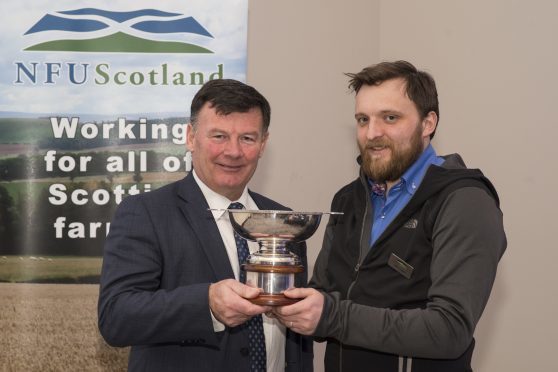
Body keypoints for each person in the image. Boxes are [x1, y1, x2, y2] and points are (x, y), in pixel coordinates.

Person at [272, 61, 507, 371]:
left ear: (428, 123)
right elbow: (327, 292)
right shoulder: (347, 198)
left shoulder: (464, 201)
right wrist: (287, 300)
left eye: (390, 118)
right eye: (362, 119)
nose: (372, 133)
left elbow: (449, 330)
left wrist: (331, 316)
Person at [98, 79, 313, 372]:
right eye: (219, 136)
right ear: (191, 137)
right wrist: (207, 304)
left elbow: (297, 335)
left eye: (248, 138)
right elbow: (116, 318)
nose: (233, 151)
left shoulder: (284, 220)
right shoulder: (145, 213)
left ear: (263, 144)